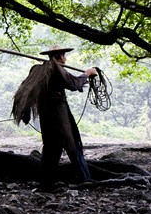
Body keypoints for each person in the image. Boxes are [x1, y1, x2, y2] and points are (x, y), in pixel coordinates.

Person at [11, 44, 98, 190]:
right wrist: (87, 74)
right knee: (73, 145)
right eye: (64, 55)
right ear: (61, 56)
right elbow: (73, 83)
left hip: (48, 117)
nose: (65, 58)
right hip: (59, 116)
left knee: (52, 149)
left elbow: (26, 90)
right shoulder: (55, 68)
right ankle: (86, 179)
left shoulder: (41, 69)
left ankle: (46, 183)